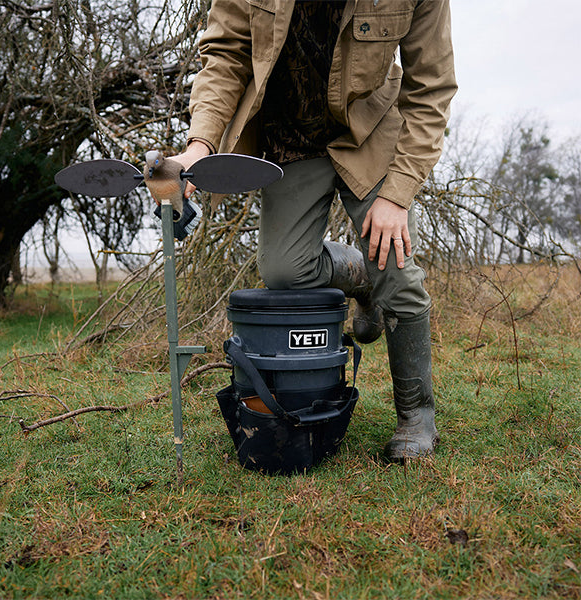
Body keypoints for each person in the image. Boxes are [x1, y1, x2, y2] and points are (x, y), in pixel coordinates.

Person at [146, 0, 457, 461]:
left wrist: (397, 195)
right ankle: (360, 278)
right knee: (283, 272)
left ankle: (416, 415)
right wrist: (199, 146)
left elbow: (430, 86)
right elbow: (227, 52)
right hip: (290, 136)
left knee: (393, 263)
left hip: (369, 130)